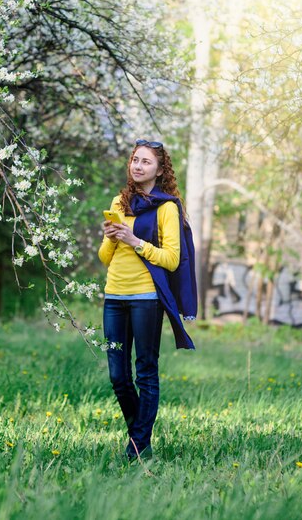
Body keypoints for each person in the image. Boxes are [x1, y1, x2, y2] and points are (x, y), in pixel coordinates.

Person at [98, 139, 195, 462]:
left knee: (145, 372)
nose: (137, 166)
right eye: (135, 160)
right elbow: (104, 257)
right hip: (114, 296)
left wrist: (135, 240)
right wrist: (111, 238)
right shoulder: (119, 201)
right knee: (117, 376)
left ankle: (138, 446)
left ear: (159, 170)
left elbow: (171, 258)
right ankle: (139, 434)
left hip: (146, 298)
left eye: (146, 162)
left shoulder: (166, 207)